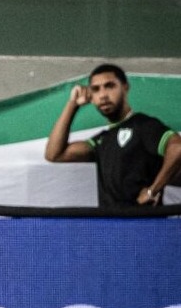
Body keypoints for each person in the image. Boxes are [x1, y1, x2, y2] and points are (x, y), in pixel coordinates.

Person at [45, 63, 181, 207]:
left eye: (110, 86)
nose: (103, 95)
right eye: (96, 89)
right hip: (110, 226)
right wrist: (72, 104)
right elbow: (54, 154)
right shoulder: (102, 140)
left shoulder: (144, 125)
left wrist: (152, 191)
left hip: (143, 224)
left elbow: (177, 147)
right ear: (91, 97)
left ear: (125, 87)